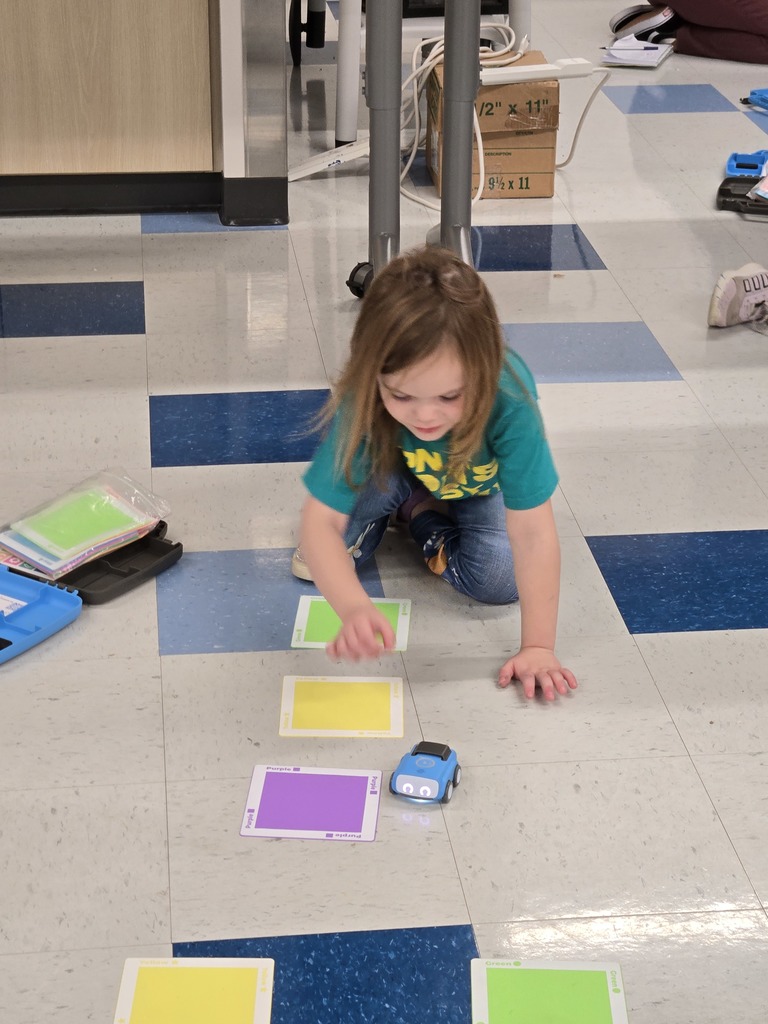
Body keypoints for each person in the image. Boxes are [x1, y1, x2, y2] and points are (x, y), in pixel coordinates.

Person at [293, 246, 577, 702]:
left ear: (483, 371)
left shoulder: (511, 397)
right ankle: (406, 502)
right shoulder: (364, 399)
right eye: (401, 395)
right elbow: (319, 521)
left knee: (500, 581)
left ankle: (422, 514)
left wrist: (539, 647)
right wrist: (353, 607)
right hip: (391, 468)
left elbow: (534, 532)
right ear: (374, 373)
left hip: (477, 484)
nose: (425, 417)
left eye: (450, 397)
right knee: (317, 561)